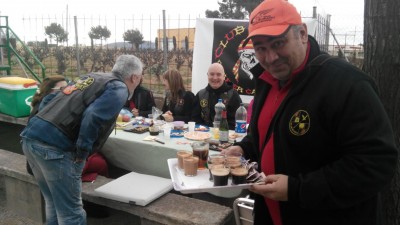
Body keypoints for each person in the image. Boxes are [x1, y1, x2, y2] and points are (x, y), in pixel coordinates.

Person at [221, 0, 398, 224]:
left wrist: (297, 189)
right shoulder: (267, 81)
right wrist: (244, 148)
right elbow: (266, 135)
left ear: (302, 34)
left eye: (278, 43)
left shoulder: (346, 83)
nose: (270, 57)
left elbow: (377, 163)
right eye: (261, 48)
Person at [20, 54, 144, 225]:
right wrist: (82, 152)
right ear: (134, 77)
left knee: (54, 204)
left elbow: (49, 100)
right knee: (72, 214)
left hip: (31, 138)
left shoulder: (92, 77)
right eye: (140, 78)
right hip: (56, 149)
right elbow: (93, 115)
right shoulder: (119, 88)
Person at [26, 75, 68, 175]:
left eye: (67, 87)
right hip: (42, 164)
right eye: (62, 88)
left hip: (37, 162)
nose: (66, 91)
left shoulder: (40, 104)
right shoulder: (46, 109)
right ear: (49, 91)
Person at [191, 62, 242, 130]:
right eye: (212, 74)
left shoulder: (233, 95)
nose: (215, 78)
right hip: (203, 136)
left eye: (218, 74)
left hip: (226, 136)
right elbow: (195, 120)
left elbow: (235, 123)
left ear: (224, 76)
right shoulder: (200, 95)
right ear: (207, 75)